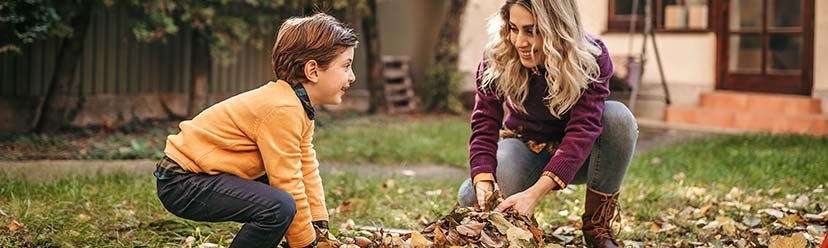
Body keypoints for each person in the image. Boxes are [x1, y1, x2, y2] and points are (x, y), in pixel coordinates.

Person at [153, 13, 357, 248]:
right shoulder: (282, 109)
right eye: (346, 66)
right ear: (312, 70)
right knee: (278, 206)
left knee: (283, 200)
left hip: (201, 177)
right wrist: (305, 244)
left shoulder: (297, 106)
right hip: (183, 183)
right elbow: (287, 181)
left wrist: (319, 227)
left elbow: (305, 168)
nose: (352, 77)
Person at [456, 0, 638, 247]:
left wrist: (534, 194)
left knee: (618, 118)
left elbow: (583, 131)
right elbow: (484, 122)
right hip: (526, 150)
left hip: (583, 157)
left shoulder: (591, 56)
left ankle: (597, 228)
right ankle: (517, 222)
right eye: (513, 28)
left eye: (532, 31)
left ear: (558, 28)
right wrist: (483, 179)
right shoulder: (498, 56)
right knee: (471, 195)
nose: (520, 41)